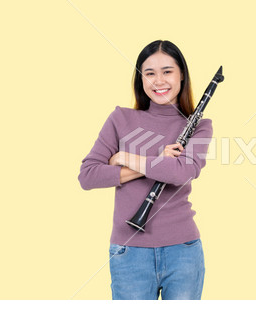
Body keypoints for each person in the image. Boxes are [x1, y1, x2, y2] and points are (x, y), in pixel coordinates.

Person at [77, 40, 213, 300]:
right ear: (140, 79)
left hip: (183, 251)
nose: (158, 81)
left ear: (182, 75)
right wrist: (156, 161)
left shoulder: (200, 126)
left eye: (167, 71)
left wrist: (125, 158)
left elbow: (181, 173)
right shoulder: (120, 118)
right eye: (149, 73)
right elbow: (88, 176)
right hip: (129, 252)